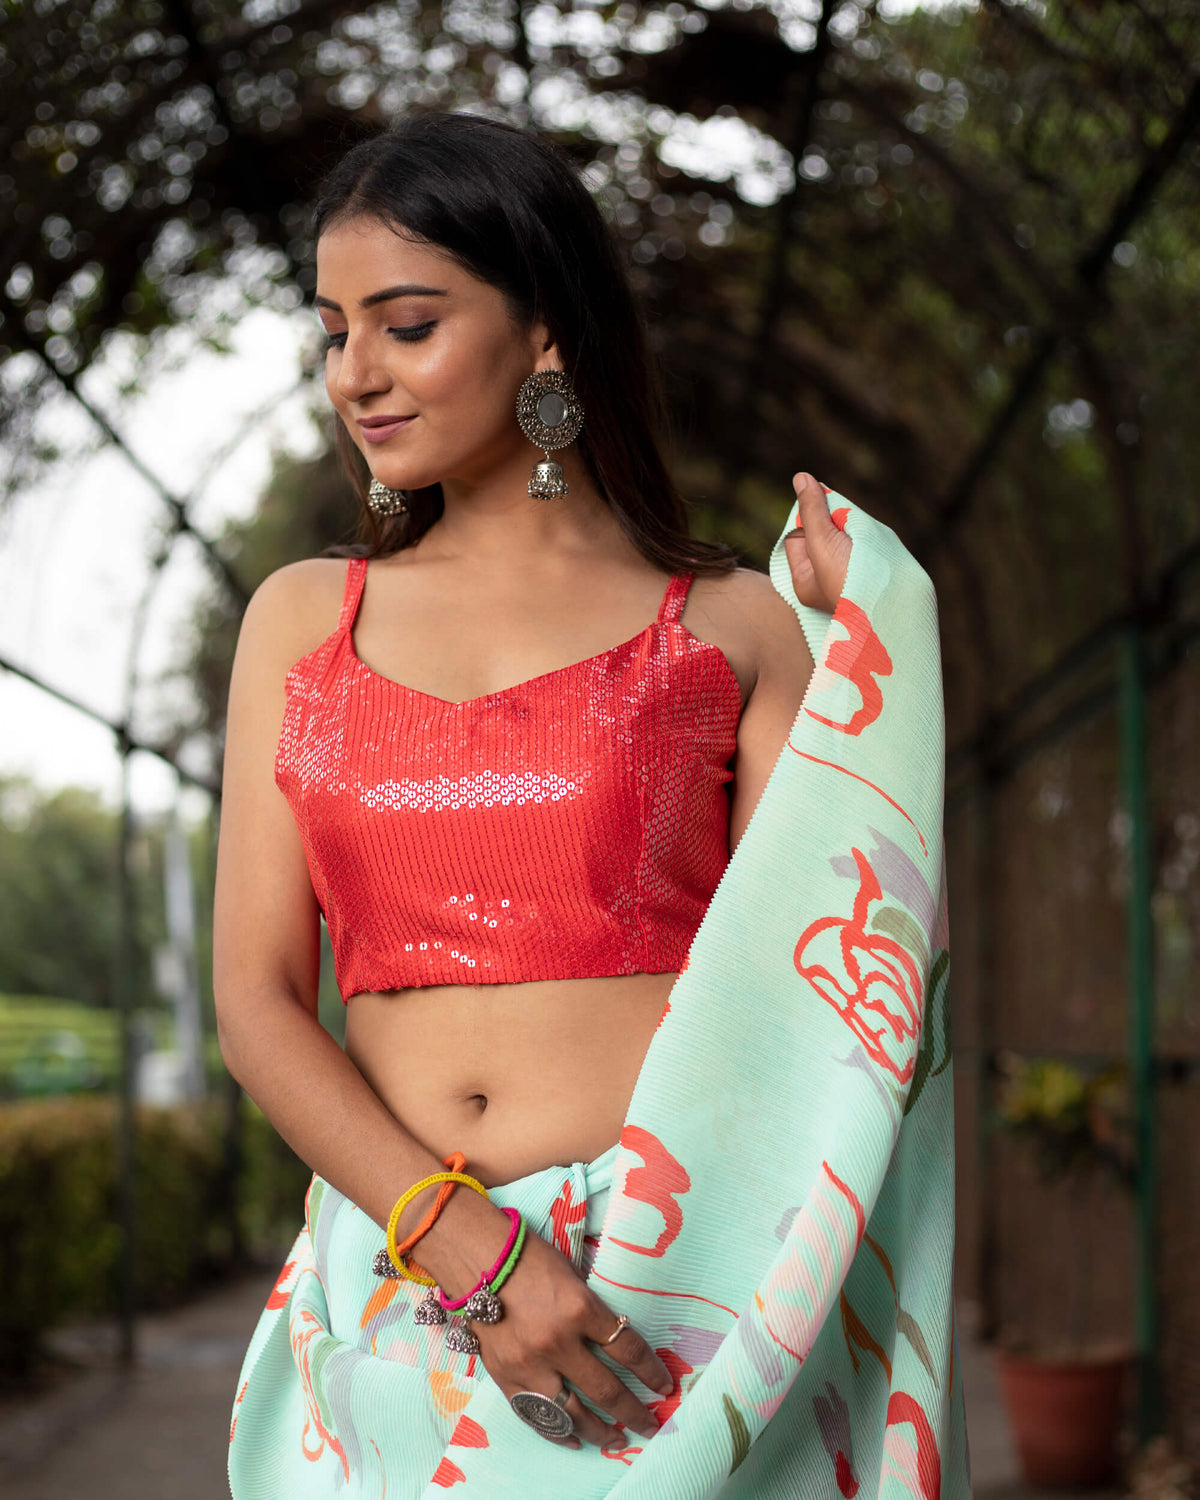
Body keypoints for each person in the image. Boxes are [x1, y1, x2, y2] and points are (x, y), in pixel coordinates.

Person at [219, 110, 963, 1500]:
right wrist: (465, 1246)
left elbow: (844, 983)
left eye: (406, 324)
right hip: (398, 1277)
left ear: (545, 333)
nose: (355, 375)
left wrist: (867, 634)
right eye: (332, 333)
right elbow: (256, 1004)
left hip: (672, 1289)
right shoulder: (304, 620)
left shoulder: (731, 628)